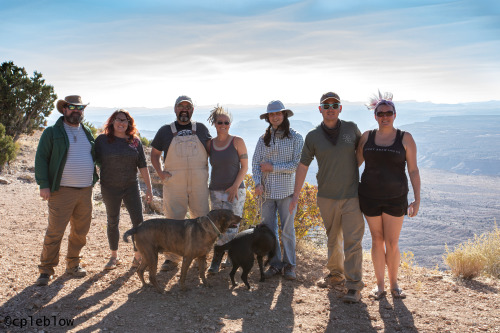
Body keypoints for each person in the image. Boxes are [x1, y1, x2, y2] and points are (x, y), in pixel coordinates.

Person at [289, 92, 364, 303]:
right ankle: (335, 275)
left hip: (352, 195)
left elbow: (361, 152)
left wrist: (350, 170)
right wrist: (296, 195)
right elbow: (303, 165)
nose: (330, 108)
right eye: (326, 105)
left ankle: (354, 286)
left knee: (352, 241)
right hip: (326, 196)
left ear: (340, 108)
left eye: (334, 104)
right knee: (333, 238)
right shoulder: (313, 136)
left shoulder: (351, 129)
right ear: (320, 109)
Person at [357, 92, 421, 300]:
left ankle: (395, 285)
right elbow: (354, 164)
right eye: (380, 113)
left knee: (392, 242)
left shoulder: (405, 138)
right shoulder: (367, 137)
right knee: (377, 240)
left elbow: (413, 170)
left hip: (396, 197)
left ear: (395, 115)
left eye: (389, 113)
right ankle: (380, 286)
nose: (385, 116)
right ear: (375, 116)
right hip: (369, 196)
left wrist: (417, 199)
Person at [34, 95, 98, 286]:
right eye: (72, 107)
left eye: (80, 108)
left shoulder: (87, 132)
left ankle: (73, 264)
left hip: (85, 190)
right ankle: (46, 270)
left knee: (80, 231)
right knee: (55, 231)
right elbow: (41, 158)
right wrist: (43, 184)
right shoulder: (52, 132)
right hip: (61, 190)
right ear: (64, 109)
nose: (76, 111)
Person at [150, 95, 211, 271]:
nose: (184, 109)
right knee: (173, 220)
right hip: (174, 181)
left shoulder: (201, 128)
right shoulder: (164, 131)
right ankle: (172, 258)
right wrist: (160, 172)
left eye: (188, 107)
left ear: (192, 110)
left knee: (201, 218)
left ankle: (201, 255)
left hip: (198, 181)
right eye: (181, 106)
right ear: (175, 109)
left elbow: (212, 152)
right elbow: (155, 154)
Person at [95, 110, 153, 270]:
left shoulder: (135, 142)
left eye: (125, 120)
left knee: (138, 222)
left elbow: (142, 165)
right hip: (109, 187)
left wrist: (149, 187)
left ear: (129, 123)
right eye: (118, 119)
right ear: (112, 121)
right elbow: (92, 160)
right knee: (112, 221)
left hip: (131, 187)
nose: (122, 123)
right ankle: (114, 257)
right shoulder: (102, 141)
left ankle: (137, 257)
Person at [252, 100, 303, 281]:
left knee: (287, 230)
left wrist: (272, 167)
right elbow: (256, 164)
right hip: (266, 194)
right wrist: (257, 182)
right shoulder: (262, 139)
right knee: (270, 231)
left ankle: (290, 265)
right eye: (272, 115)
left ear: (284, 115)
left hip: (287, 192)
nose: (275, 117)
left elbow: (296, 165)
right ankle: (275, 263)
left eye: (278, 114)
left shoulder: (296, 138)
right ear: (268, 118)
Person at [206, 106, 248, 273]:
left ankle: (230, 257)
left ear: (230, 124)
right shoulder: (210, 144)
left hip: (236, 190)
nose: (223, 125)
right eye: (220, 122)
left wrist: (235, 186)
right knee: (217, 226)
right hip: (215, 190)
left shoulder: (237, 141)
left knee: (232, 226)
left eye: (226, 122)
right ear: (214, 124)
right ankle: (216, 260)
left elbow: (244, 167)